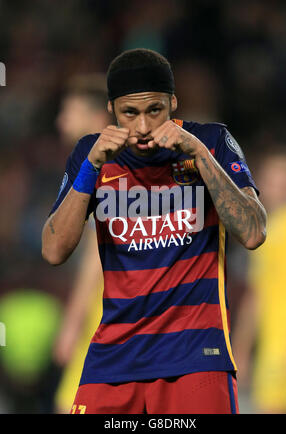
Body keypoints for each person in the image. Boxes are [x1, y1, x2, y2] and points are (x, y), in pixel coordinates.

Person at [41, 48, 267, 414]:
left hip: (196, 359)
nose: (143, 127)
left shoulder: (211, 140)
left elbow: (254, 232)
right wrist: (91, 166)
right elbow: (53, 251)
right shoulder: (91, 153)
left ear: (173, 103)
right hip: (113, 359)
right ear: (112, 108)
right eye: (130, 113)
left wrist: (201, 157)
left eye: (154, 111)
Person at [52, 74, 112, 413]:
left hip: (102, 324)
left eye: (68, 111)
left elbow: (95, 256)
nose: (61, 120)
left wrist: (72, 323)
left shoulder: (102, 170)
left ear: (96, 119)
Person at [232, 145, 286, 413]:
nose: (274, 189)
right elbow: (256, 294)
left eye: (283, 182)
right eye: (270, 181)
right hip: (273, 350)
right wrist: (242, 348)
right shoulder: (266, 230)